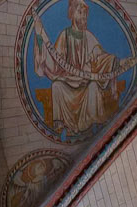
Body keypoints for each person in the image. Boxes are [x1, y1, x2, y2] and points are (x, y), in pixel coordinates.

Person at [28, 0, 129, 138]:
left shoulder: (88, 36)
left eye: (85, 14)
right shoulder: (64, 35)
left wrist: (107, 58)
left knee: (94, 86)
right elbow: (55, 63)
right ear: (72, 13)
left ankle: (91, 124)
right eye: (80, 12)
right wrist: (40, 37)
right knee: (56, 86)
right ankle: (61, 124)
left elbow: (100, 55)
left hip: (85, 80)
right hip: (69, 80)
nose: (83, 17)